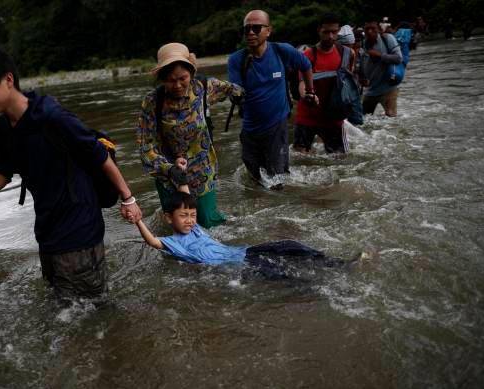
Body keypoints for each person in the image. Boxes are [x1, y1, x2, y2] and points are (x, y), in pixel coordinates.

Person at [0, 46, 142, 301]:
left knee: (91, 308)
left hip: (80, 224)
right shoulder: (4, 127)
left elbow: (99, 156)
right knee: (62, 305)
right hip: (47, 229)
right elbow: (2, 170)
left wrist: (128, 198)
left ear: (8, 79)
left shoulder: (52, 116)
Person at [134, 160, 340, 279]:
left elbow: (185, 198)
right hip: (234, 265)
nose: (189, 220)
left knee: (288, 245)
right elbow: (152, 241)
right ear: (168, 219)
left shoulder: (194, 228)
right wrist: (138, 220)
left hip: (243, 251)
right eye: (183, 217)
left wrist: (180, 173)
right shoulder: (174, 243)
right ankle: (313, 287)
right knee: (278, 272)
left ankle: (332, 262)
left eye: (192, 216)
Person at [136, 42, 243, 229]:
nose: (177, 85)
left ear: (191, 74)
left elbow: (234, 90)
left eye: (182, 78)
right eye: (170, 80)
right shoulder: (153, 102)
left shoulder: (203, 87)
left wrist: (244, 100)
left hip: (202, 169)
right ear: (161, 79)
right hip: (168, 174)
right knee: (179, 227)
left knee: (209, 222)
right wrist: (169, 169)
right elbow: (146, 146)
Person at [228, 10, 317, 189]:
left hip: (276, 125)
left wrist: (310, 91)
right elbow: (235, 92)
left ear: (268, 31)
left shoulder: (281, 50)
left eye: (256, 28)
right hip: (250, 129)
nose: (251, 33)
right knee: (255, 179)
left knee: (277, 180)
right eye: (247, 29)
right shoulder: (237, 59)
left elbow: (306, 65)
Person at [293, 14, 356, 155]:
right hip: (307, 116)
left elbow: (348, 82)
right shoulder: (307, 56)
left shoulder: (347, 54)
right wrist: (307, 95)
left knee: (341, 161)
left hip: (334, 117)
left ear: (339, 30)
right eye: (326, 32)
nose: (331, 36)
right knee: (299, 158)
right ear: (319, 31)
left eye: (334, 32)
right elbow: (302, 83)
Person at [359, 19, 403, 117]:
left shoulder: (387, 38)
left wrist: (380, 55)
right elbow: (362, 63)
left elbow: (399, 58)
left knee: (391, 119)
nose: (370, 31)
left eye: (373, 28)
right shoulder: (363, 43)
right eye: (367, 29)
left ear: (379, 29)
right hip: (371, 90)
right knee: (362, 120)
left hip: (388, 88)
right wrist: (361, 76)